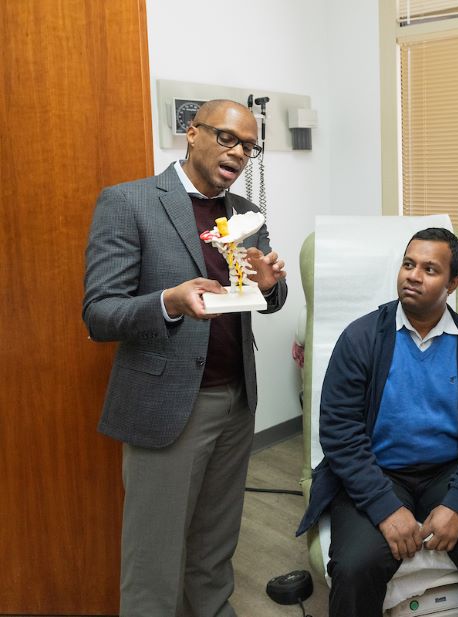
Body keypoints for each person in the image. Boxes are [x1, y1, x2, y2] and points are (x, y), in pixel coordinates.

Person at [82, 99, 288, 616]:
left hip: (237, 400)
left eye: (249, 146)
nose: (239, 153)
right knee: (153, 554)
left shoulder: (243, 212)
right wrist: (169, 302)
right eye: (227, 138)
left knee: (216, 542)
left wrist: (270, 286)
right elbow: (99, 312)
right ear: (192, 133)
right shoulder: (129, 203)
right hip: (168, 402)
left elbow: (264, 299)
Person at [296, 228, 458, 617]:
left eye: (429, 269)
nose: (413, 275)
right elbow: (339, 432)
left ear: (453, 283)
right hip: (378, 471)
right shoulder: (360, 338)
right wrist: (385, 508)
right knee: (356, 565)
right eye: (408, 264)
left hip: (449, 472)